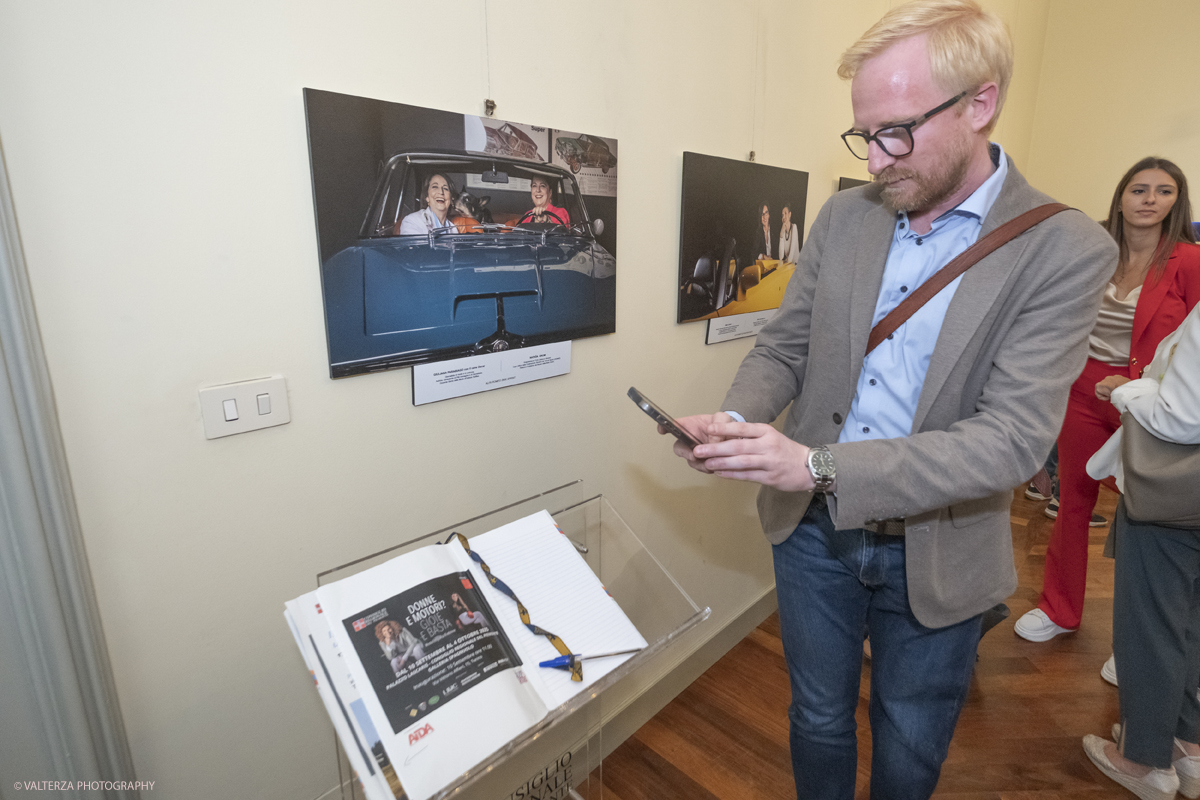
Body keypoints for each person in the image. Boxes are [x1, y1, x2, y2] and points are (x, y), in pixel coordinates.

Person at [663, 2, 1116, 796]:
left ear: (980, 103)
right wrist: (735, 423)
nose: (875, 160)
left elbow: (1011, 440)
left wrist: (819, 465)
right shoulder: (846, 218)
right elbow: (785, 346)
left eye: (896, 132)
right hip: (812, 538)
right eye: (864, 134)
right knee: (817, 717)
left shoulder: (1067, 249)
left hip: (939, 546)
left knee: (908, 738)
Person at [1015, 157, 1200, 642]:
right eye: (1139, 189)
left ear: (1176, 201)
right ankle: (1059, 609)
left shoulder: (1190, 261)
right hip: (1082, 391)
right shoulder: (1093, 249)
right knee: (1071, 501)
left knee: (1145, 514)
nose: (1150, 200)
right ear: (1121, 196)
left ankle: (1143, 641)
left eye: (1163, 191)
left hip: (1152, 402)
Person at [1080, 302, 1200, 799]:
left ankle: (1143, 759)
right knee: (1191, 622)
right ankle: (1187, 745)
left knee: (1150, 625)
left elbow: (1182, 416)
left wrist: (1126, 391)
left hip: (1170, 497)